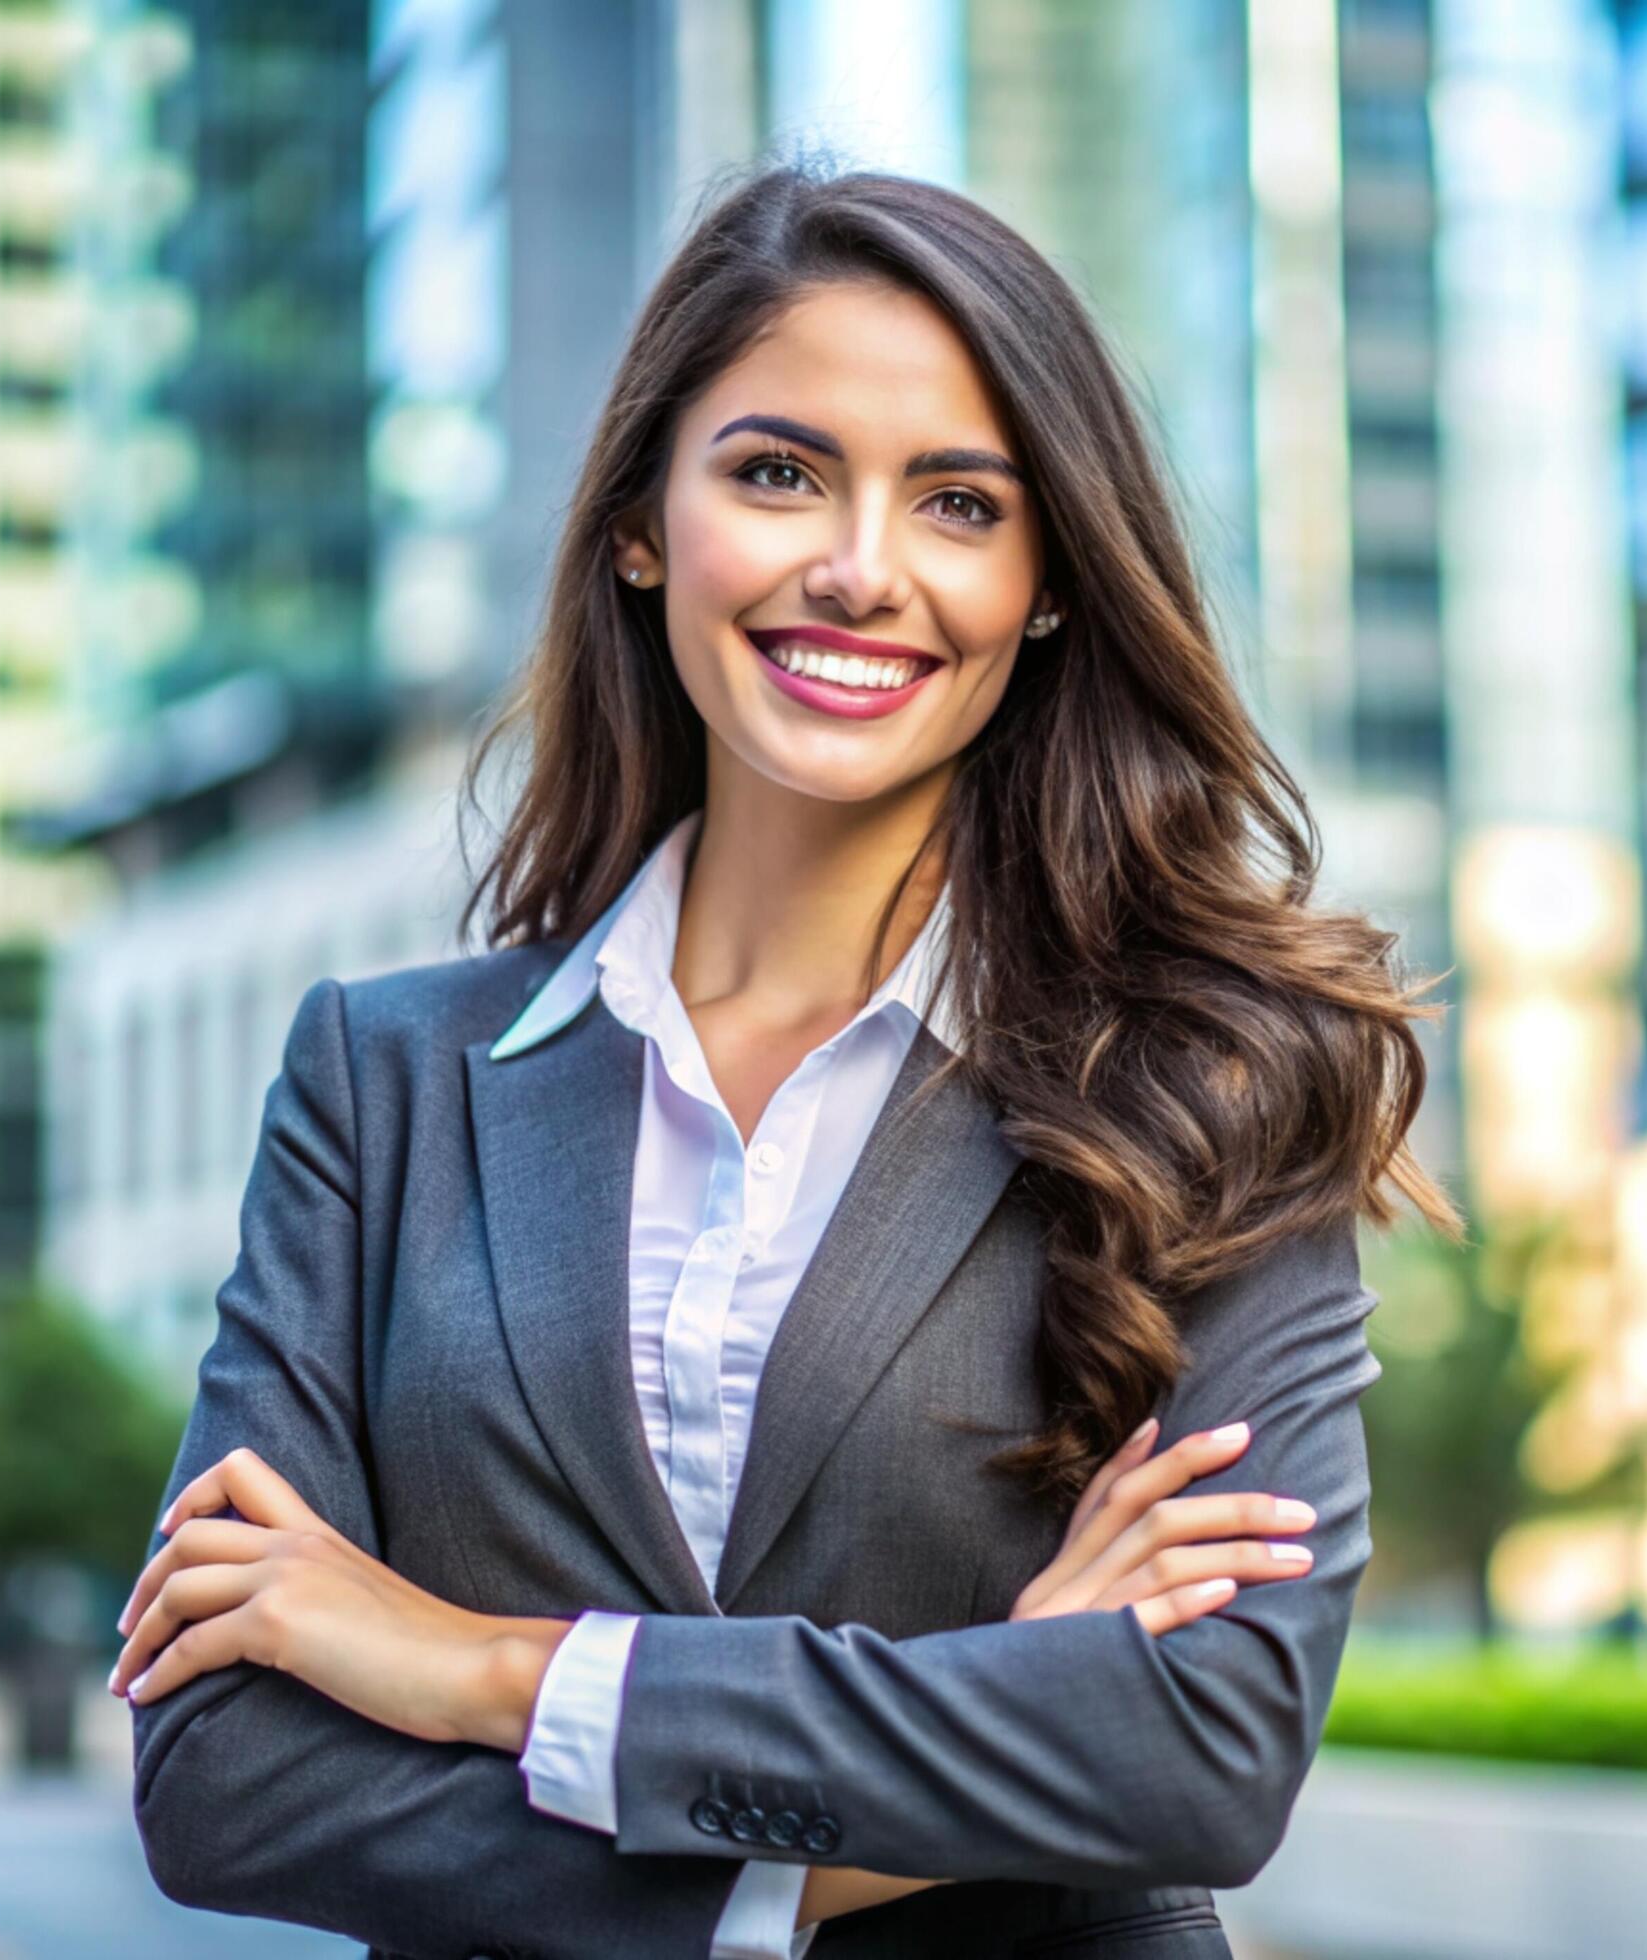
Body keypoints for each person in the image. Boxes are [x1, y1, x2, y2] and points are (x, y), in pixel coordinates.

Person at [102, 159, 1459, 1960]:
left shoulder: (1208, 1084)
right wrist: (979, 1723)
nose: (857, 568)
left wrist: (482, 1669)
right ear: (644, 522)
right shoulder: (383, 1084)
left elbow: (1193, 1755)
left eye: (958, 503)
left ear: (1048, 582)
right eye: (776, 471)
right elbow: (221, 1772)